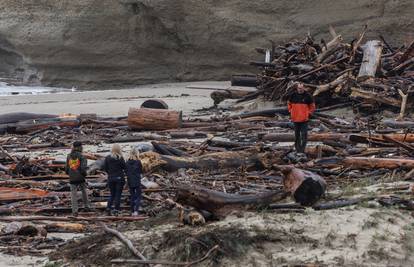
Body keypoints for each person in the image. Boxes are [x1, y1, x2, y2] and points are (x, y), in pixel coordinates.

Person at [287, 82, 316, 154]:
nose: (300, 89)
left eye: (301, 88)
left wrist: (308, 113)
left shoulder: (308, 96)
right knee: (297, 135)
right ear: (297, 88)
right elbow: (289, 103)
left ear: (304, 88)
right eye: (299, 88)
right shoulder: (293, 95)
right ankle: (298, 150)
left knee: (304, 135)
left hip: (304, 119)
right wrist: (290, 110)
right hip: (295, 118)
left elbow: (312, 106)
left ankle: (302, 150)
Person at [65, 141, 91, 216]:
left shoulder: (68, 156)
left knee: (73, 194)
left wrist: (69, 174)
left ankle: (74, 210)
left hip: (72, 177)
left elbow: (66, 168)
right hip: (80, 177)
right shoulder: (82, 156)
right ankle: (86, 206)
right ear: (80, 147)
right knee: (84, 191)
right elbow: (83, 168)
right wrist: (84, 175)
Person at [103, 144, 126, 216]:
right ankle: (116, 210)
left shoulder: (107, 158)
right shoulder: (120, 158)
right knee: (118, 195)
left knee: (112, 194)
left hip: (111, 178)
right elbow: (124, 167)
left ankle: (108, 208)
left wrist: (110, 173)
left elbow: (105, 168)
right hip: (119, 178)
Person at [125, 148, 143, 216]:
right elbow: (141, 170)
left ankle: (132, 211)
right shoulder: (138, 162)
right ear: (137, 153)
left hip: (130, 180)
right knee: (138, 196)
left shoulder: (127, 162)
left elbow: (126, 172)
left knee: (132, 196)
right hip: (137, 180)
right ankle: (136, 210)